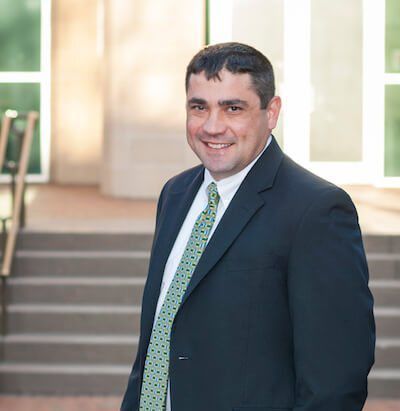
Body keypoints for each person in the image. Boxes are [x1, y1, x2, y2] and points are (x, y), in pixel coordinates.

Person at [121, 42, 375, 411]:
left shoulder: (317, 211)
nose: (212, 126)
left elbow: (335, 381)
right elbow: (159, 336)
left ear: (271, 112)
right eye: (199, 107)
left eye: (233, 108)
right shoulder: (176, 194)